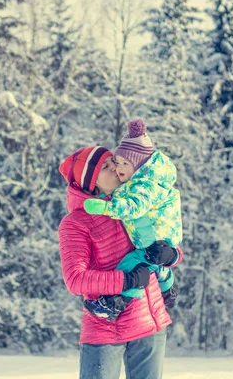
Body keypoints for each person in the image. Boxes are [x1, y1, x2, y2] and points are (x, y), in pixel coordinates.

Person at [58, 145, 183, 379]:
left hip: (150, 324)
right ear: (91, 182)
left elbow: (166, 235)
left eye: (113, 162)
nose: (116, 168)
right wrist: (126, 280)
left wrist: (171, 255)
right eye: (106, 167)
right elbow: (75, 279)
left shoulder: (134, 202)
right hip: (106, 330)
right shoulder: (75, 223)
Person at [81, 119, 182, 321]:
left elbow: (135, 206)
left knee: (131, 264)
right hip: (153, 236)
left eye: (125, 164)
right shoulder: (139, 181)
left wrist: (107, 208)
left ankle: (115, 303)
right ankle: (168, 287)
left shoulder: (146, 185)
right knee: (150, 265)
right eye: (118, 162)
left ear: (140, 166)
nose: (119, 169)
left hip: (154, 236)